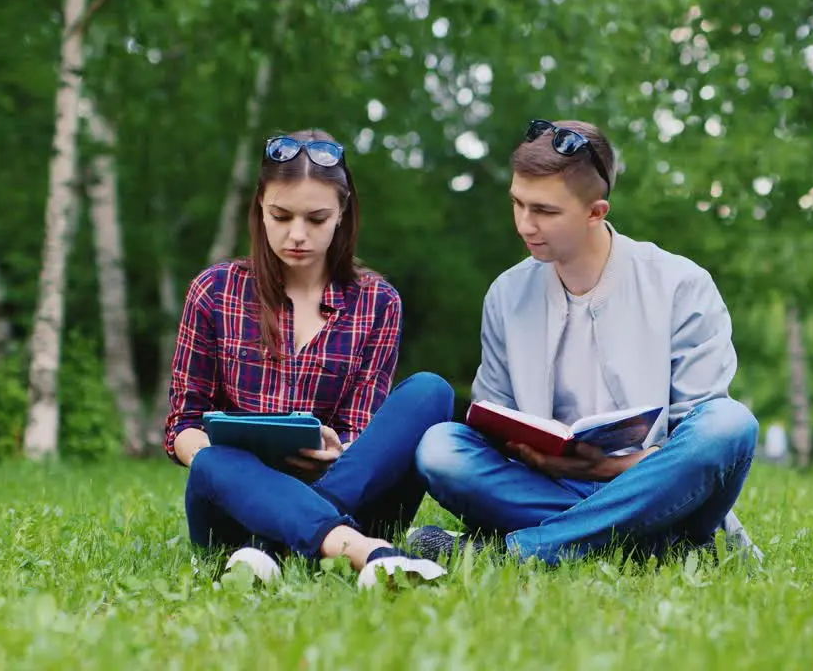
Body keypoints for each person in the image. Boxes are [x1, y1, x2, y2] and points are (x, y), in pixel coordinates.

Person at [410, 119, 761, 565]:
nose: (524, 224)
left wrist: (606, 468)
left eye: (545, 211)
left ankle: (517, 552)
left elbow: (700, 442)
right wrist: (535, 455)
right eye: (517, 203)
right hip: (546, 483)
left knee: (730, 424)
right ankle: (656, 545)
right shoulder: (507, 292)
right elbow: (491, 416)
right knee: (440, 448)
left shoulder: (681, 284)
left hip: (654, 482)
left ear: (596, 212)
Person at [165, 129, 451, 588]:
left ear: (343, 214)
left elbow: (363, 433)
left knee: (430, 392)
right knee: (213, 459)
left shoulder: (378, 300)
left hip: (342, 488)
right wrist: (242, 468)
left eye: (316, 219)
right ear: (260, 206)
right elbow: (182, 426)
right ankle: (369, 552)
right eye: (281, 216)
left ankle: (270, 551)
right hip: (233, 506)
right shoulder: (214, 291)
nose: (296, 234)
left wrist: (333, 452)